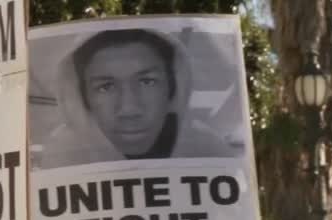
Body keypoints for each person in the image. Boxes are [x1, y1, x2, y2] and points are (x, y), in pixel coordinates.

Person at [39, 28, 239, 169]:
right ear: (83, 98)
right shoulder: (63, 154)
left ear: (173, 88)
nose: (129, 109)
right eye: (106, 87)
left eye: (147, 82)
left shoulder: (207, 150)